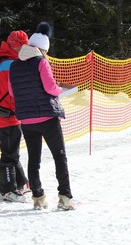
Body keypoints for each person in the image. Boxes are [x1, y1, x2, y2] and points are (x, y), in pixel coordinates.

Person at [9, 22, 75, 210]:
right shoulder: (41, 62)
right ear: (43, 49)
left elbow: (13, 93)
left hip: (27, 120)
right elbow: (50, 88)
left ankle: (38, 197)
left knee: (34, 159)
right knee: (59, 156)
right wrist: (60, 89)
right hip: (47, 117)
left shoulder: (15, 65)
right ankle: (65, 197)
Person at [0, 31, 30, 202]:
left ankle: (21, 183)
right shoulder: (11, 65)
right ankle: (8, 190)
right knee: (9, 155)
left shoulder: (4, 60)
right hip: (8, 117)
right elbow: (12, 95)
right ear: (14, 44)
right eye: (22, 45)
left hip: (6, 116)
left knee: (11, 153)